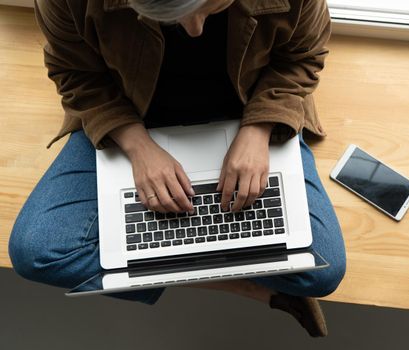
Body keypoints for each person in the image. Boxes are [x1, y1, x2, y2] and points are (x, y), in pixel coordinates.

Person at [8, 0, 346, 337]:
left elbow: (302, 58)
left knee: (321, 270)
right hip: (127, 114)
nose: (195, 29)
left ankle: (203, 265)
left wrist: (258, 130)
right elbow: (75, 74)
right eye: (167, 17)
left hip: (253, 109)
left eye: (212, 6)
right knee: (35, 252)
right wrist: (136, 146)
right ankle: (251, 288)